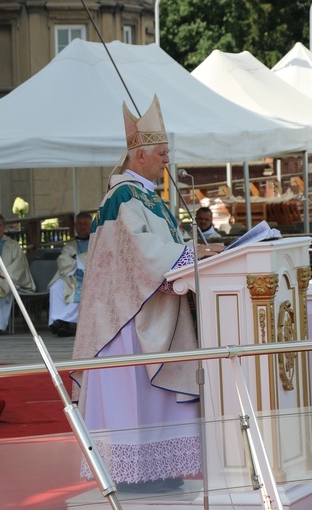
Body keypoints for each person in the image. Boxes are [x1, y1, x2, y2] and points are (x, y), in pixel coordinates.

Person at [71, 95, 222, 493]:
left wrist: (199, 252)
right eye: (162, 153)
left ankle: (160, 468)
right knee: (135, 398)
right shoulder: (123, 196)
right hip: (127, 318)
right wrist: (193, 253)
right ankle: (135, 473)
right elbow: (138, 253)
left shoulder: (147, 196)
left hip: (150, 307)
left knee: (153, 401)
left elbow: (157, 248)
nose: (167, 160)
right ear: (140, 157)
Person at [48, 212, 92, 337]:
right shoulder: (70, 245)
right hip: (71, 276)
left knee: (82, 289)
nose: (82, 227)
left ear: (91, 225)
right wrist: (80, 260)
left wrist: (76, 259)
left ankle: (62, 322)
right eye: (79, 224)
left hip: (90, 278)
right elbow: (62, 261)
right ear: (75, 226)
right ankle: (60, 322)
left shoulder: (97, 242)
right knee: (55, 287)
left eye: (85, 224)